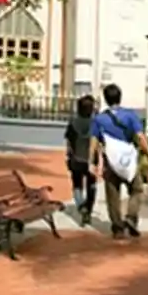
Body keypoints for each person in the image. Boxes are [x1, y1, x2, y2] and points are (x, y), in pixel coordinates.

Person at [89, 84, 148, 238]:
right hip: (128, 160)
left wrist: (91, 162)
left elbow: (93, 141)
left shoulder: (99, 119)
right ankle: (131, 217)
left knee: (113, 195)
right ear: (120, 97)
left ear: (106, 99)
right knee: (137, 189)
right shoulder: (130, 115)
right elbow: (140, 137)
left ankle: (117, 228)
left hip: (110, 161)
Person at [65, 94, 97, 224]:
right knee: (91, 185)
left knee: (77, 184)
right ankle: (88, 209)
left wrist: (69, 155)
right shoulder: (95, 124)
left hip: (76, 158)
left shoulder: (73, 123)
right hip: (91, 160)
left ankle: (80, 205)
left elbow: (69, 141)